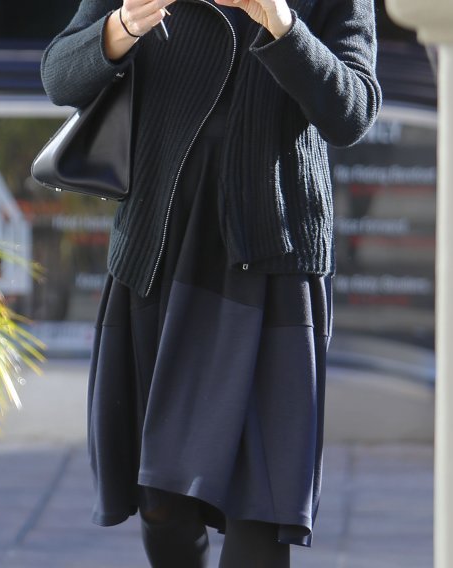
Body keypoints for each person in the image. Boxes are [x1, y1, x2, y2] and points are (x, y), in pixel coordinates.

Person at [40, 0, 380, 565]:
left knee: (260, 514)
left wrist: (281, 23)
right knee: (161, 504)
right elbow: (59, 76)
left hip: (274, 257)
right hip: (160, 252)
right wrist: (124, 25)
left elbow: (353, 113)